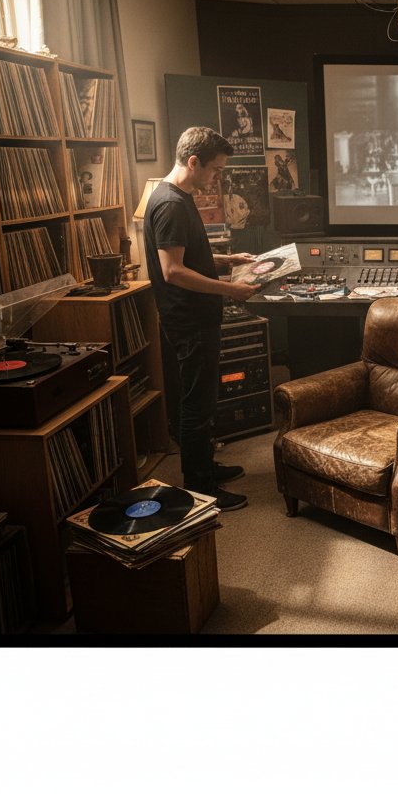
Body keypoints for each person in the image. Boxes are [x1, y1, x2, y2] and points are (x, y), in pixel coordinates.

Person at [143, 126, 259, 511]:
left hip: (195, 320)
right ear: (192, 162)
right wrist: (232, 290)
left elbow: (187, 254)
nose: (218, 178)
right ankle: (200, 487)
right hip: (189, 323)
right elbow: (173, 270)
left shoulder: (177, 194)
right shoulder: (172, 204)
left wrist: (227, 261)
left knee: (203, 402)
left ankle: (205, 466)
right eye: (215, 169)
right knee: (196, 407)